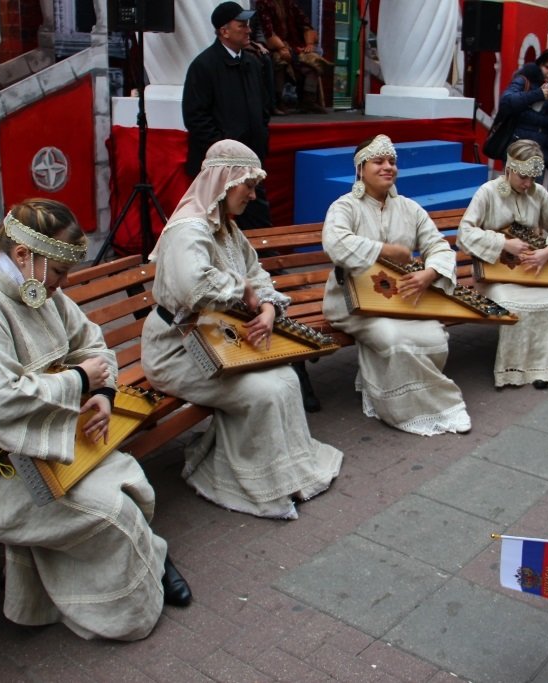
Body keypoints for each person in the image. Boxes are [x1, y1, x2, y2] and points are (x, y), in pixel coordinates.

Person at [0, 198, 191, 642]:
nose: (62, 285)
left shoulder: (37, 289)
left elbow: (90, 340)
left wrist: (105, 393)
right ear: (21, 256)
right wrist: (77, 381)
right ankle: (131, 607)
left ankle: (147, 559)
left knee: (131, 480)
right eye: (59, 273)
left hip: (43, 440)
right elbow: (2, 405)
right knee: (113, 514)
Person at [141, 139, 343, 519]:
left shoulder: (230, 230)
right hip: (176, 348)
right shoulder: (188, 230)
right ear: (223, 180)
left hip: (218, 338)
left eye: (254, 186)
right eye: (247, 184)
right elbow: (194, 288)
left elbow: (258, 274)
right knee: (262, 393)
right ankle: (252, 481)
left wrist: (267, 308)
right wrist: (242, 289)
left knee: (284, 379)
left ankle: (287, 474)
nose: (253, 194)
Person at [321, 134, 471, 436]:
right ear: (361, 168)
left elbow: (439, 247)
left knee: (436, 339)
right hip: (352, 303)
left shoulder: (409, 208)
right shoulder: (345, 206)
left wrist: (429, 273)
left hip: (399, 298)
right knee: (393, 339)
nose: (388, 167)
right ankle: (409, 409)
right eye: (379, 161)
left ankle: (420, 402)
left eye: (392, 161)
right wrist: (386, 250)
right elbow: (335, 244)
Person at [458, 139, 548, 389]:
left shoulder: (537, 193)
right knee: (514, 307)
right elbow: (464, 233)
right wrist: (503, 242)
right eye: (523, 177)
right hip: (495, 273)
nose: (527, 184)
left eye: (532, 178)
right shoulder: (488, 192)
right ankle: (513, 371)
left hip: (530, 269)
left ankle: (542, 371)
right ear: (509, 169)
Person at [183, 2, 272, 229]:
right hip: (218, 166)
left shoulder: (252, 63)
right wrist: (222, 151)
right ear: (224, 31)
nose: (248, 30)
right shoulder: (203, 66)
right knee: (211, 222)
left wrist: (259, 139)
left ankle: (265, 261)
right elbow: (196, 117)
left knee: (257, 220)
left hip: (251, 160)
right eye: (242, 25)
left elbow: (264, 106)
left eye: (248, 25)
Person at [494, 48, 548, 174]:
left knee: (533, 192)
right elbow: (506, 102)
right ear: (540, 65)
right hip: (517, 150)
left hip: (539, 154)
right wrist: (538, 94)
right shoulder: (524, 80)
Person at [254, 0, 328, 114]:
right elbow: (267, 32)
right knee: (280, 59)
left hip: (293, 45)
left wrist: (309, 43)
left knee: (314, 60)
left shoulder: (289, 3)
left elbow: (305, 23)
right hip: (271, 47)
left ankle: (308, 101)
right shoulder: (262, 3)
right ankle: (278, 101)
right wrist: (281, 47)